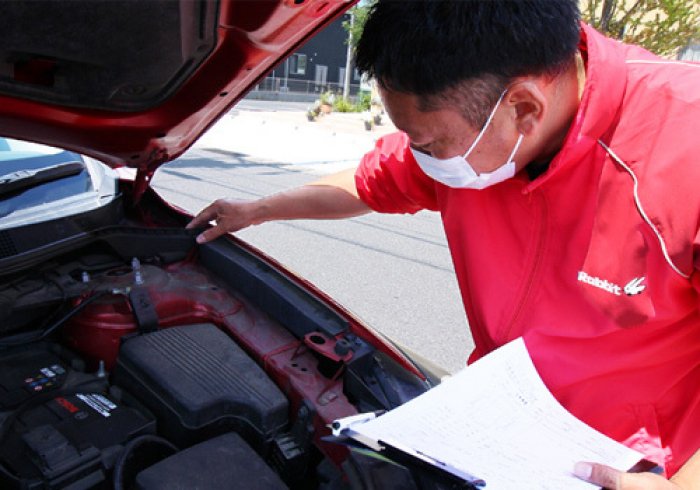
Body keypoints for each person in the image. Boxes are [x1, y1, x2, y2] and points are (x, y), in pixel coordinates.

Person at [187, 1, 700, 487]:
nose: (419, 156)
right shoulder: (478, 131)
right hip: (495, 429)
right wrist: (257, 209)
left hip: (634, 465)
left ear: (523, 107)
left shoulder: (683, 141)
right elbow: (370, 182)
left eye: (428, 145)